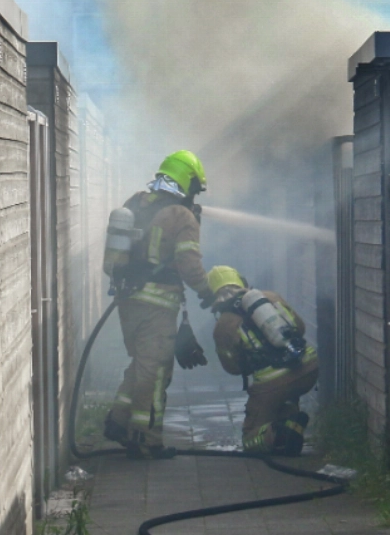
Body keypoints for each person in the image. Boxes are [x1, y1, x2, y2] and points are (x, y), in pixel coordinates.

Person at [103, 150, 215, 459]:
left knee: (142, 363)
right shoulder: (182, 216)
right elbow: (189, 265)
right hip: (157, 306)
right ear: (187, 183)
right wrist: (208, 291)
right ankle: (146, 439)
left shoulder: (136, 202)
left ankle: (118, 421)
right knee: (156, 373)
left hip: (128, 301)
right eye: (195, 188)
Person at [206, 265, 319, 455]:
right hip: (309, 368)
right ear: (241, 280)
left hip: (273, 384)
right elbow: (300, 327)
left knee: (250, 438)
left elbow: (232, 368)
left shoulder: (223, 326)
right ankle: (291, 424)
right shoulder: (271, 297)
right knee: (284, 399)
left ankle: (278, 433)